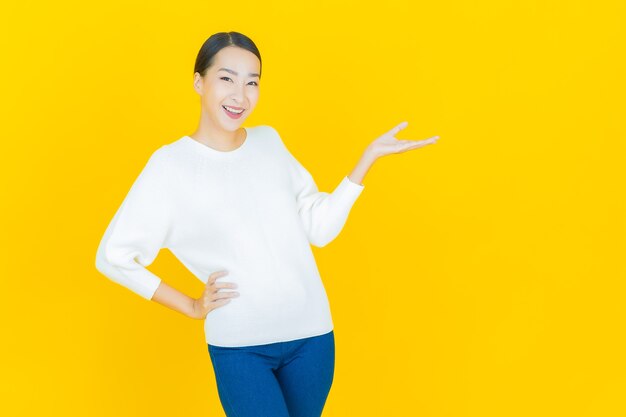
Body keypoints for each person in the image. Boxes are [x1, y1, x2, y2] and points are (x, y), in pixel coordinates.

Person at [95, 31, 439, 417]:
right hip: (241, 346)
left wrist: (364, 163)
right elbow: (113, 257)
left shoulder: (269, 142)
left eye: (252, 82)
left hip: (312, 338)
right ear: (199, 81)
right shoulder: (169, 166)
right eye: (226, 78)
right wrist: (191, 305)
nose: (240, 95)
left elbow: (319, 230)